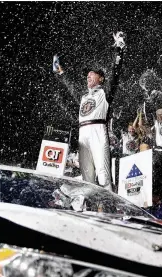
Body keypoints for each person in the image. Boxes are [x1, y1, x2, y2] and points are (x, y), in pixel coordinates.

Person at [53, 32, 125, 191]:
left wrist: (119, 51)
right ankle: (92, 211)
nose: (88, 75)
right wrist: (60, 72)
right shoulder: (83, 95)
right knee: (88, 179)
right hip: (83, 133)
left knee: (104, 175)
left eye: (92, 73)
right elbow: (69, 84)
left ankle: (110, 210)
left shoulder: (105, 92)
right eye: (87, 74)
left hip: (98, 131)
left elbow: (115, 73)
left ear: (101, 79)